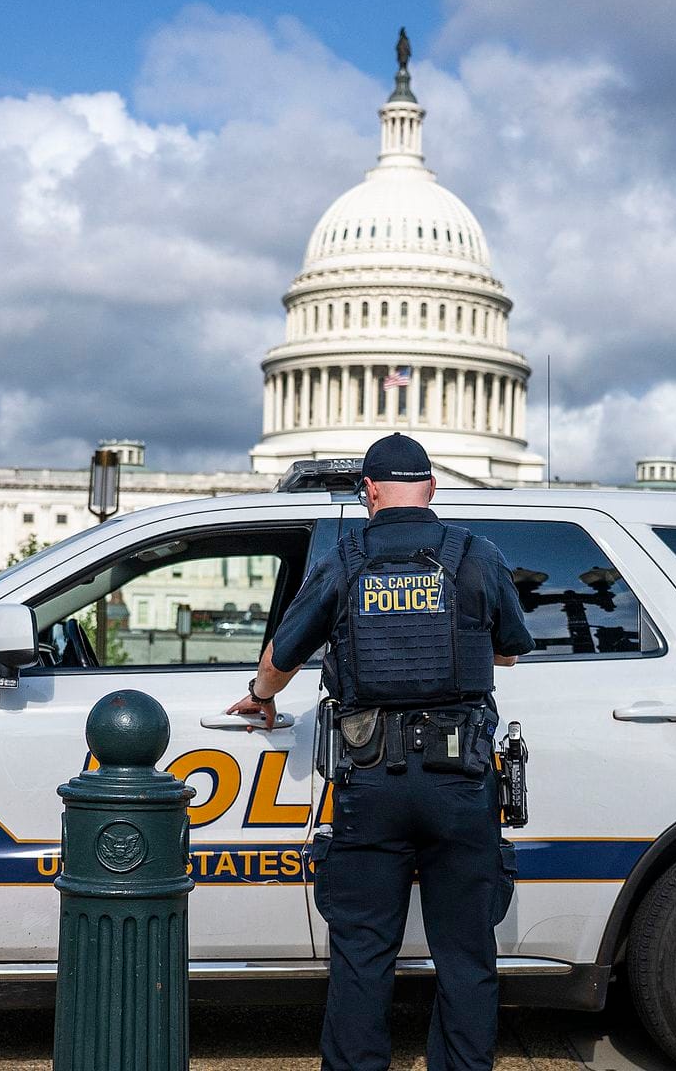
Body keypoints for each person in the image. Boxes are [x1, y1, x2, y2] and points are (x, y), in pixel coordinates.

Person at [226, 433, 534, 1071]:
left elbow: (282, 658)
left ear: (368, 491)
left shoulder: (344, 559)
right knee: (468, 955)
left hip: (371, 780)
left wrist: (260, 696)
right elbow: (509, 646)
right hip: (462, 777)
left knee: (362, 951)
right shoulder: (476, 556)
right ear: (432, 488)